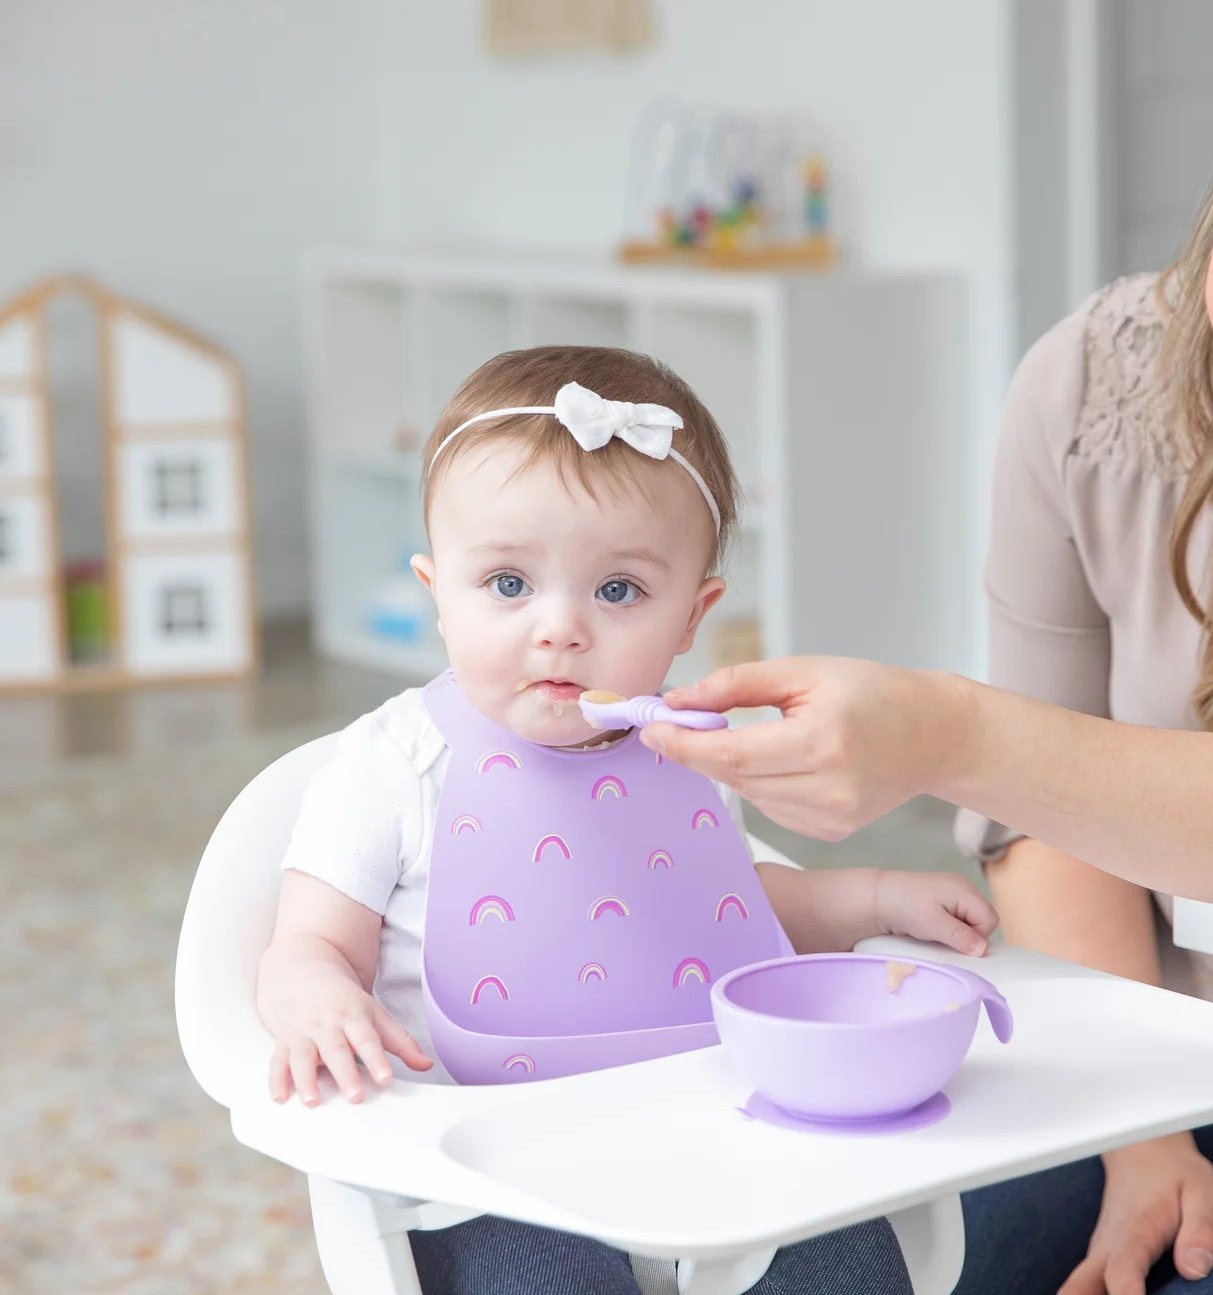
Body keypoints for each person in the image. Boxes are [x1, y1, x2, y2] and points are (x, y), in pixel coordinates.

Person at [641, 0, 1213, 1294]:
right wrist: (1139, 1129)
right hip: (1155, 1022)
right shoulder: (1093, 381)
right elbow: (1042, 826)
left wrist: (948, 733)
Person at [254, 344, 998, 1295]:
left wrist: (872, 898)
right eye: (509, 585)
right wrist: (319, 999)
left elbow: (716, 912)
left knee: (848, 1261)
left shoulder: (686, 749)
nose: (560, 626)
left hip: (705, 1127)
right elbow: (304, 943)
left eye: (619, 591)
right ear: (437, 593)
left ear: (695, 615)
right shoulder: (394, 766)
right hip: (485, 1162)